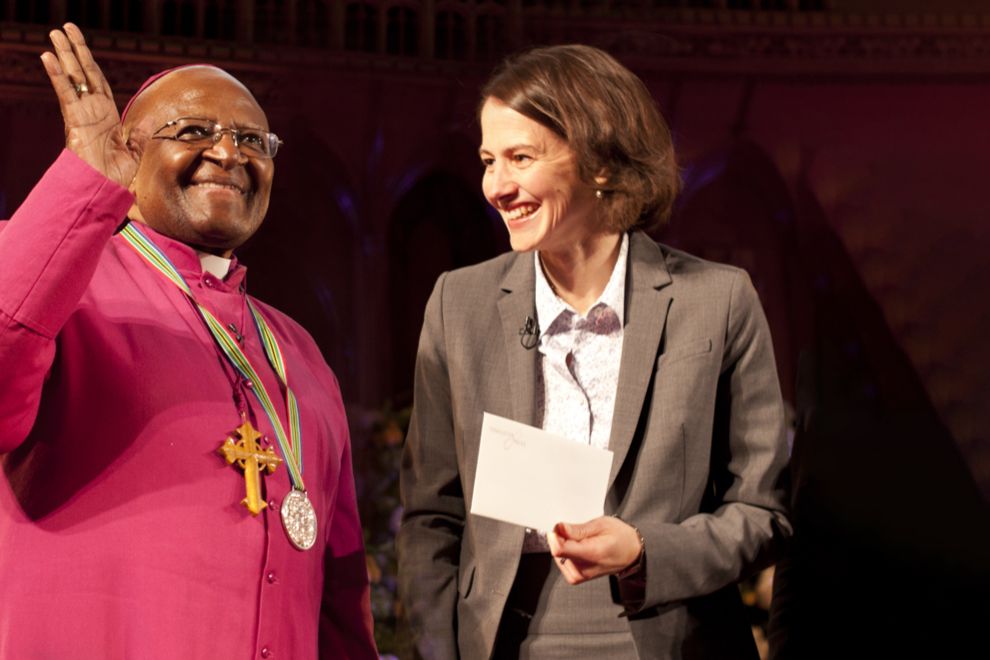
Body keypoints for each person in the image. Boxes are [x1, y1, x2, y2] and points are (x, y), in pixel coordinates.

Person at [398, 44, 791, 659]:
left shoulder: (718, 300)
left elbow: (763, 512)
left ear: (603, 164)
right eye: (487, 160)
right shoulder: (459, 302)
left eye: (520, 158)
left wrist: (644, 552)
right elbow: (431, 514)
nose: (496, 187)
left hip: (672, 637)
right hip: (504, 641)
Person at [0, 24, 376, 659]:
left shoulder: (299, 353)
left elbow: (340, 591)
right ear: (129, 150)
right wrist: (82, 185)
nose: (229, 153)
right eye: (193, 131)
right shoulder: (58, 277)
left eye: (253, 140)